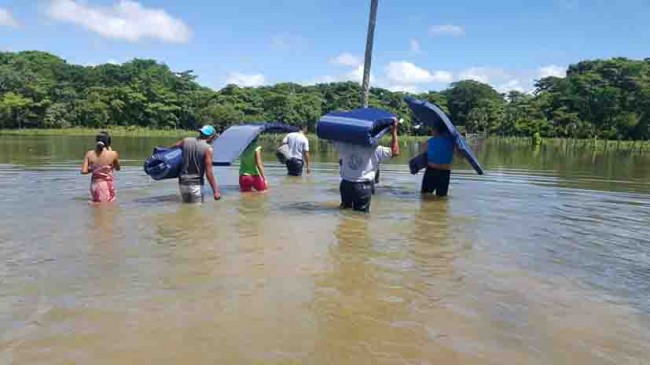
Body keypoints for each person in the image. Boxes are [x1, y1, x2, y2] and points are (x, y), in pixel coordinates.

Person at [333, 119, 400, 213]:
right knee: (360, 218)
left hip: (345, 184)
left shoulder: (345, 145)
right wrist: (394, 132)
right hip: (362, 187)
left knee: (345, 211)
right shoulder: (375, 149)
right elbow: (395, 151)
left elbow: (334, 140)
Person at [173, 125, 221, 203]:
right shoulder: (208, 149)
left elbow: (173, 148)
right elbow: (209, 172)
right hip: (196, 184)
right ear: (211, 137)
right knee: (197, 211)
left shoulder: (186, 141)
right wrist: (215, 191)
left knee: (186, 207)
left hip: (182, 183)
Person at [81, 131, 121, 203]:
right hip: (106, 185)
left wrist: (94, 168)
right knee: (106, 207)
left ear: (96, 141)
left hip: (94, 185)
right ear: (108, 142)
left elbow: (84, 171)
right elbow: (118, 168)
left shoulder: (89, 154)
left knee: (96, 204)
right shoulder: (113, 154)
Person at [420, 123, 455, 197]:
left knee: (425, 195)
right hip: (445, 173)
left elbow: (424, 156)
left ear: (435, 130)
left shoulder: (428, 142)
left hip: (431, 171)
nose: (431, 131)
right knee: (442, 196)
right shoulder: (452, 143)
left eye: (432, 129)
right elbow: (460, 156)